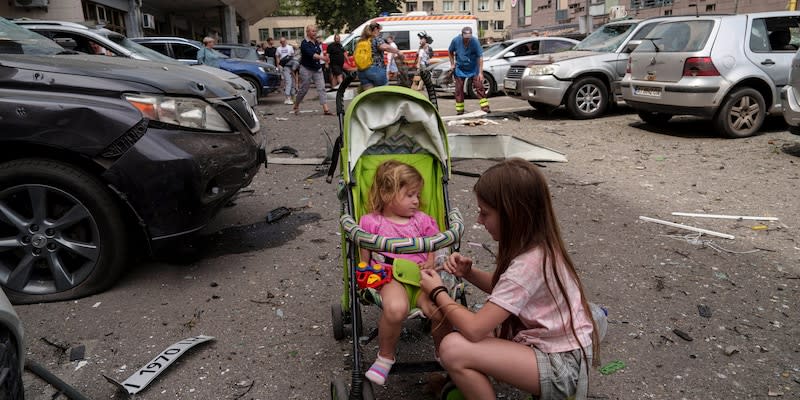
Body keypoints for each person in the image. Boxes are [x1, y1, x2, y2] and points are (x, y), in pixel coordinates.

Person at [418, 158, 600, 400]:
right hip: (561, 351)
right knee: (476, 331)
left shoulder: (529, 264)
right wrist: (469, 274)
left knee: (454, 347)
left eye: (485, 213)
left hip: (562, 368)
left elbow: (474, 329)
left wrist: (437, 291)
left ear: (513, 214)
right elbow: (507, 290)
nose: (479, 221)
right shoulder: (538, 245)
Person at [359, 160, 439, 386]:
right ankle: (385, 356)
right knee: (396, 309)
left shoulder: (422, 220)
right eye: (410, 195)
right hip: (390, 277)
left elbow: (432, 243)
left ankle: (445, 354)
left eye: (418, 195)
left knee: (440, 310)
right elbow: (364, 250)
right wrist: (365, 272)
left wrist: (431, 261)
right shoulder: (372, 222)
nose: (416, 200)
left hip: (421, 276)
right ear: (387, 194)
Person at [448, 26, 489, 114]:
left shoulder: (474, 41)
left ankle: (485, 107)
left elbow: (480, 57)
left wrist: (480, 73)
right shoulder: (456, 41)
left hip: (473, 68)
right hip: (460, 68)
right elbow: (450, 51)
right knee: (459, 89)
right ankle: (460, 110)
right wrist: (452, 64)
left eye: (469, 38)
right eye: (466, 38)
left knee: (479, 86)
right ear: (462, 35)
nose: (467, 40)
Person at [294, 25, 331, 115]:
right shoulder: (304, 43)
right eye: (313, 31)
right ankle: (296, 104)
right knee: (304, 89)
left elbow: (320, 52)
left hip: (317, 68)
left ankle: (326, 109)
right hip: (306, 68)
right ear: (308, 32)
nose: (315, 33)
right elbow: (312, 54)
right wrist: (323, 58)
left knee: (321, 88)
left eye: (315, 31)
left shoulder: (316, 42)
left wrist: (325, 60)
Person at [357, 22, 402, 91]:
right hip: (375, 69)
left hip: (362, 71)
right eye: (379, 30)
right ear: (375, 29)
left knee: (369, 95)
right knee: (384, 93)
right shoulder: (376, 38)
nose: (379, 33)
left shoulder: (361, 40)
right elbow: (384, 47)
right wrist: (398, 51)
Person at [275, 37, 296, 105]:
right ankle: (287, 98)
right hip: (284, 66)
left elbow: (293, 56)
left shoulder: (290, 47)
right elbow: (277, 57)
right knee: (288, 82)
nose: (283, 42)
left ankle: (293, 96)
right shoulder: (278, 49)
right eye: (281, 42)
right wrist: (278, 66)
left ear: (286, 41)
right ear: (280, 42)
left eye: (284, 41)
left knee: (293, 81)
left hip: (291, 66)